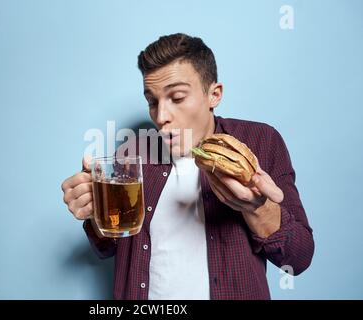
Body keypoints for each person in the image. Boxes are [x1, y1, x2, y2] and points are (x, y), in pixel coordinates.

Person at [61, 33, 314, 300]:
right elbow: (108, 246)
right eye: (152, 101)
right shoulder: (132, 152)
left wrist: (259, 208)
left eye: (178, 97)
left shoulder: (259, 142)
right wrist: (94, 212)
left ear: (214, 95)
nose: (161, 117)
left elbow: (298, 257)